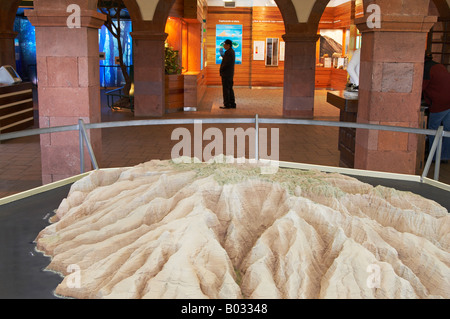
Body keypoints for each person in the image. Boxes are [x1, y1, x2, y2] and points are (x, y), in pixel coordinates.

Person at [422, 52, 450, 162]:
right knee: (448, 130)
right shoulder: (439, 66)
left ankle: (434, 157)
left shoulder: (426, 69)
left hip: (439, 103)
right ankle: (445, 156)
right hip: (448, 101)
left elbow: (421, 87)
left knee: (433, 130)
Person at [219, 39, 236, 109]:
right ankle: (232, 103)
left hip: (226, 74)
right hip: (229, 74)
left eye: (225, 44)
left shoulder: (228, 52)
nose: (224, 46)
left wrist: (221, 70)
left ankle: (227, 104)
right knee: (230, 88)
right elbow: (227, 60)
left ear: (228, 45)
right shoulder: (231, 52)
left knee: (226, 89)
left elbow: (225, 63)